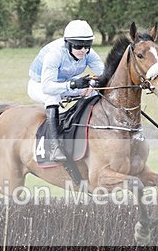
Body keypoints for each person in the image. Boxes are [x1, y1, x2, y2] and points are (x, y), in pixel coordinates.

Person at [27, 20, 104, 162]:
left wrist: (93, 84)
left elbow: (105, 74)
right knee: (53, 97)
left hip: (65, 84)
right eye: (79, 46)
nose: (83, 50)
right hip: (40, 85)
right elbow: (47, 87)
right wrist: (73, 84)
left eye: (87, 46)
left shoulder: (88, 53)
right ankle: (55, 146)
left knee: (94, 92)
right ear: (68, 43)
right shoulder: (54, 54)